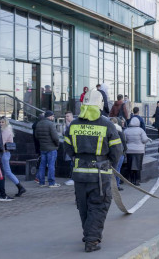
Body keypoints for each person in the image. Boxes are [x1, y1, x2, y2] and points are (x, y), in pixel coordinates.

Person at [64, 89, 122, 252]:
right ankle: (92, 240)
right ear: (101, 105)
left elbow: (67, 146)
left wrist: (79, 158)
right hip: (100, 175)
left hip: (79, 174)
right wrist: (110, 164)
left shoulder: (74, 124)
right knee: (98, 206)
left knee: (84, 206)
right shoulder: (107, 124)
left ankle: (88, 233)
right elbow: (117, 150)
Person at [35, 110, 60, 187]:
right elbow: (55, 137)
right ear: (50, 116)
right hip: (51, 148)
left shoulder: (38, 124)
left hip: (43, 148)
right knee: (51, 165)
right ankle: (51, 183)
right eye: (52, 116)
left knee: (42, 165)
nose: (53, 118)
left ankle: (41, 182)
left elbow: (36, 136)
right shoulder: (51, 124)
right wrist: (57, 145)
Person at [124, 117, 151, 186]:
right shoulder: (141, 130)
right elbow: (144, 140)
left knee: (130, 166)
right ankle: (137, 181)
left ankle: (131, 180)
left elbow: (124, 140)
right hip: (139, 151)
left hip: (129, 150)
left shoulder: (126, 130)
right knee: (138, 166)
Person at [110, 117, 126, 191]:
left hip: (112, 153)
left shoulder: (110, 130)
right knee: (117, 169)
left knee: (112, 170)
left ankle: (112, 185)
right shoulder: (120, 130)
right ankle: (117, 185)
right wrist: (124, 150)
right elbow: (124, 142)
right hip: (120, 153)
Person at [64, 111, 75, 186]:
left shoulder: (74, 124)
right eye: (65, 116)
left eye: (68, 116)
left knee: (73, 164)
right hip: (70, 147)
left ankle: (73, 179)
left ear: (71, 116)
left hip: (74, 147)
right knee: (71, 164)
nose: (66, 118)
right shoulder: (66, 124)